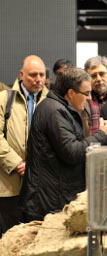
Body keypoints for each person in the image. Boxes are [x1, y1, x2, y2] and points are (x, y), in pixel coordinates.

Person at [19, 67, 107, 222]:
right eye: (86, 93)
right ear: (70, 93)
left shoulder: (59, 108)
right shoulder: (55, 111)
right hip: (48, 201)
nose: (89, 98)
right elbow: (72, 152)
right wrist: (101, 135)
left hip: (53, 195)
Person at [0, 55, 48, 236]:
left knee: (34, 238)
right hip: (8, 185)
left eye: (42, 75)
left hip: (40, 186)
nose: (38, 79)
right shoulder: (4, 99)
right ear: (21, 74)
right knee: (7, 237)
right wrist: (17, 164)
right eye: (33, 75)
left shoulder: (51, 101)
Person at [81, 55, 107, 136]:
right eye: (93, 76)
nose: (98, 79)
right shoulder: (82, 99)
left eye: (102, 74)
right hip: (89, 146)